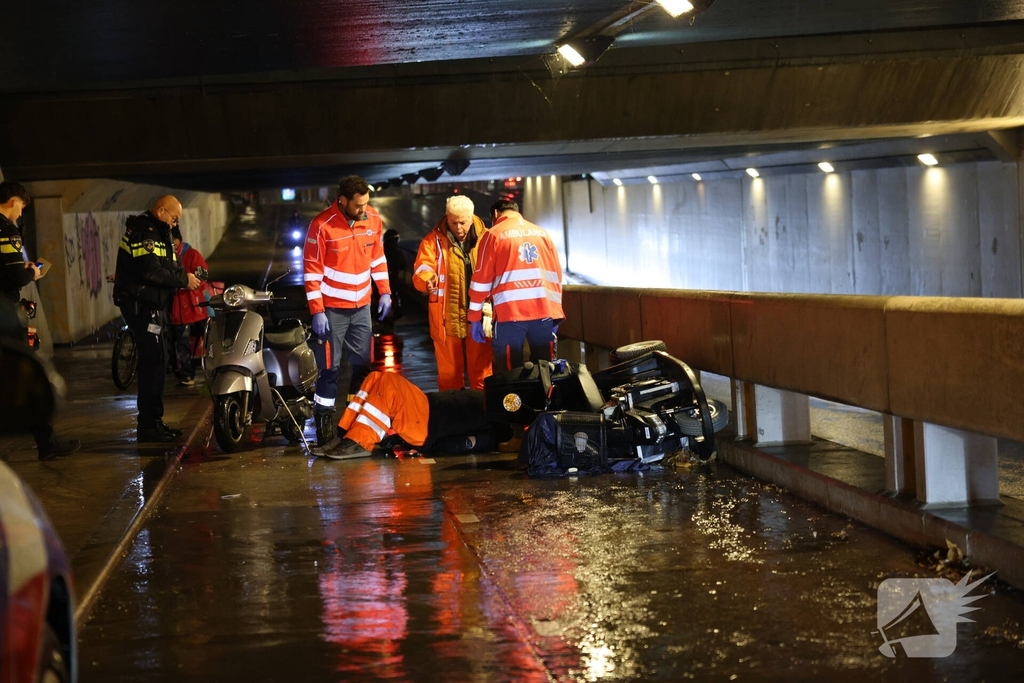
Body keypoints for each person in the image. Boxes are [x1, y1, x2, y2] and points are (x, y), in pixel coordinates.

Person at [303, 175, 392, 447]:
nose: (363, 209)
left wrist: (385, 291)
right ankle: (324, 426)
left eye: (366, 203)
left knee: (362, 367)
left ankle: (354, 425)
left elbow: (378, 259)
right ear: (342, 200)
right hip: (332, 311)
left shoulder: (373, 219)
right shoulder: (322, 225)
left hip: (361, 308)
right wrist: (317, 310)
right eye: (358, 205)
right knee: (329, 369)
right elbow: (311, 271)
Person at [0, 181, 80, 460]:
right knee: (27, 367)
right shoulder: (7, 229)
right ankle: (47, 443)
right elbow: (15, 277)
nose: (20, 213)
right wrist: (31, 272)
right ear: (13, 201)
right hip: (5, 312)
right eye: (21, 207)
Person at [113, 195, 202, 443]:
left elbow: (170, 266)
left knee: (157, 363)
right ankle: (149, 425)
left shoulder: (161, 232)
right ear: (161, 211)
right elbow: (150, 271)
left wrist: (185, 276)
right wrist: (183, 280)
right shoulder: (146, 232)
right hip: (144, 306)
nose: (175, 223)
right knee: (153, 364)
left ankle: (154, 421)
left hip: (153, 306)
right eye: (174, 218)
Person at [468, 199, 564, 371]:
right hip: (543, 313)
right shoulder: (542, 234)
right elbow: (556, 278)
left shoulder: (493, 234)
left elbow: (481, 281)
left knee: (508, 371)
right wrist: (556, 313)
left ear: (495, 214)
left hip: (509, 315)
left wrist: (474, 317)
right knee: (546, 370)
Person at [312, 370, 494, 460]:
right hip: (427, 407)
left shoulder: (497, 424)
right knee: (375, 377)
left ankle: (360, 441)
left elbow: (468, 442)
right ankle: (344, 433)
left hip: (428, 422)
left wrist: (431, 447)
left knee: (389, 383)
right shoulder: (494, 405)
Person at [412, 195, 492, 391]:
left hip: (479, 316)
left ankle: (482, 408)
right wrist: (427, 279)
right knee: (449, 376)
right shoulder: (433, 241)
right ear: (446, 217)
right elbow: (422, 267)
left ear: (472, 217)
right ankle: (453, 409)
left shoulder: (488, 238)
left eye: (463, 222)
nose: (458, 227)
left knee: (482, 374)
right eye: (453, 222)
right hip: (446, 319)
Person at [169, 225, 210, 386]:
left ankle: (216, 369)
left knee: (209, 339)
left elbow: (203, 275)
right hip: (178, 310)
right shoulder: (166, 257)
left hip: (196, 307)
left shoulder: (192, 254)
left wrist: (189, 281)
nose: (172, 244)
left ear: (179, 239)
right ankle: (187, 374)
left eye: (174, 240)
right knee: (182, 343)